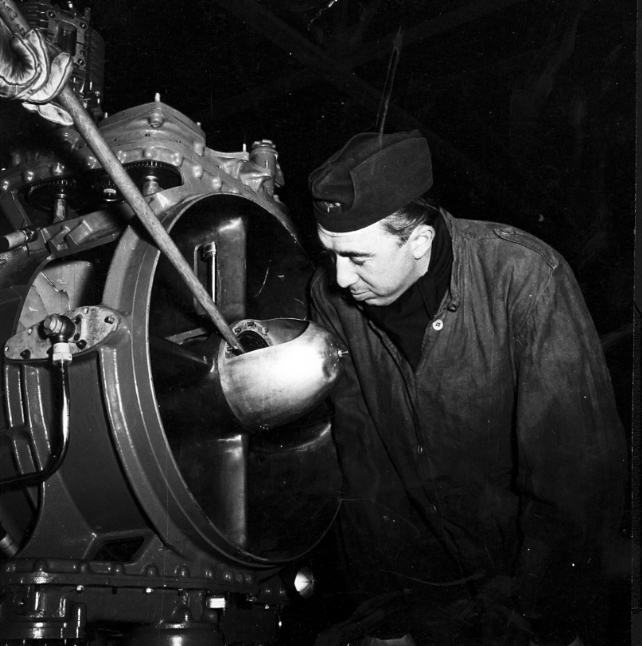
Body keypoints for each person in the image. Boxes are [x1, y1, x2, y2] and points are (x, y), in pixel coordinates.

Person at [308, 131, 627, 646]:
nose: (341, 278)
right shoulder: (331, 300)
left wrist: (549, 619)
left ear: (420, 242)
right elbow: (364, 461)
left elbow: (574, 477)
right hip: (427, 587)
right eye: (330, 254)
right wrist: (386, 615)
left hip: (527, 580)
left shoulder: (524, 277)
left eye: (359, 258)